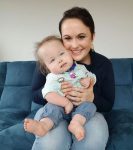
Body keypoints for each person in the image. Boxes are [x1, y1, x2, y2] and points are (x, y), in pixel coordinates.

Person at [31, 6, 115, 150]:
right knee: (51, 143)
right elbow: (35, 94)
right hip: (54, 110)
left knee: (92, 141)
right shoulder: (51, 60)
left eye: (81, 37)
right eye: (68, 38)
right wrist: (55, 94)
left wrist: (91, 97)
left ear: (92, 36)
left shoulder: (103, 64)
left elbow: (108, 104)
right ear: (61, 38)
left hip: (87, 114)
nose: (74, 45)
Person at [24, 35, 97, 141]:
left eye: (62, 53)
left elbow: (91, 76)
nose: (59, 60)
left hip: (80, 106)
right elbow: (48, 94)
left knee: (90, 106)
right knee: (51, 108)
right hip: (60, 107)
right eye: (52, 60)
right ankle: (43, 126)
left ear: (70, 53)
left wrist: (89, 81)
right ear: (46, 67)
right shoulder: (52, 78)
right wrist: (66, 103)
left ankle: (76, 123)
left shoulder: (80, 69)